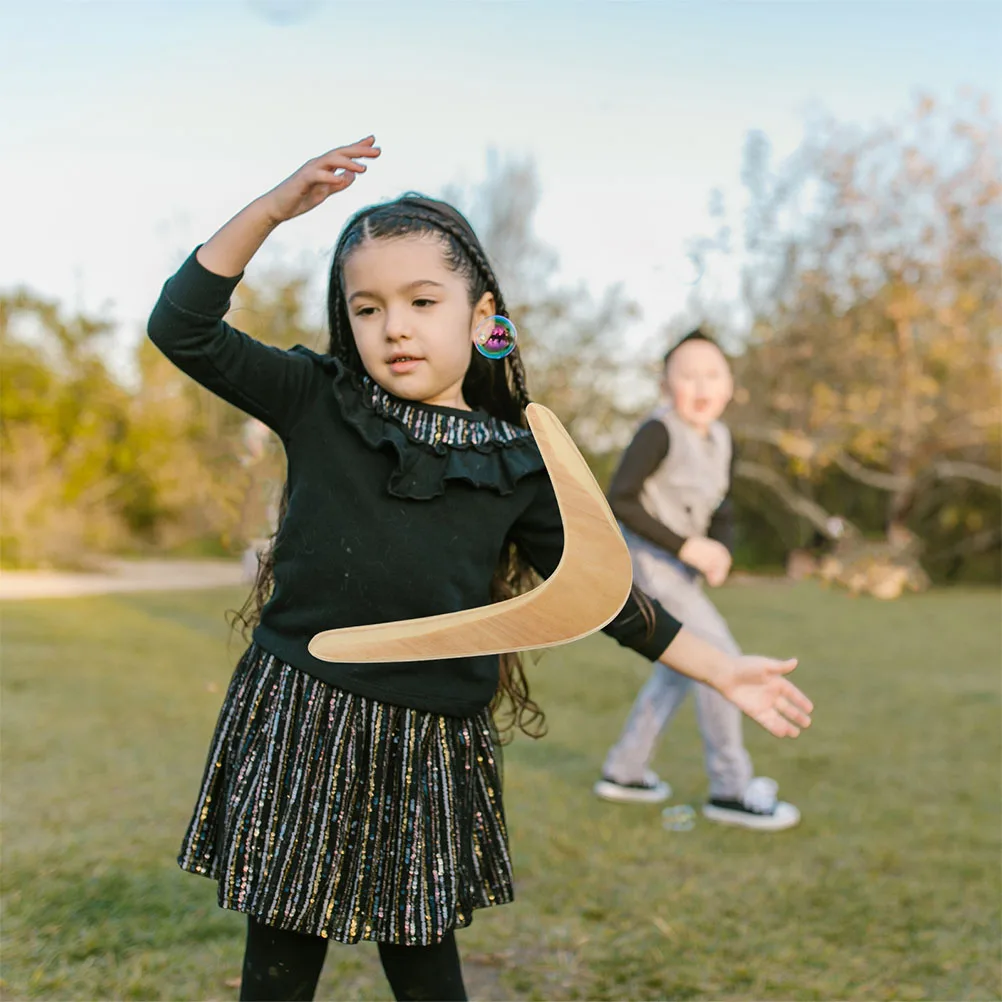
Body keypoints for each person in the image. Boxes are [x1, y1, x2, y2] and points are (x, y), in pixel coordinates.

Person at [147, 138, 812, 1001]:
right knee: (278, 961)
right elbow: (182, 328)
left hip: (430, 743)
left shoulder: (519, 460)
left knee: (426, 966)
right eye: (366, 307)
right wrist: (274, 210)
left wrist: (722, 669)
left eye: (423, 300)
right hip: (303, 716)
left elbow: (609, 598)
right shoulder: (317, 400)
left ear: (480, 315)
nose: (394, 326)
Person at [594, 330, 802, 831]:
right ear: (667, 384)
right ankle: (730, 789)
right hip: (648, 569)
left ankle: (626, 771)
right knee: (721, 662)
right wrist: (686, 546)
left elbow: (721, 506)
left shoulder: (722, 438)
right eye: (687, 375)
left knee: (678, 669)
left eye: (712, 374)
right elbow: (619, 498)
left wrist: (721, 550)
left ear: (730, 385)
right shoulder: (658, 431)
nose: (700, 385)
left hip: (684, 577)